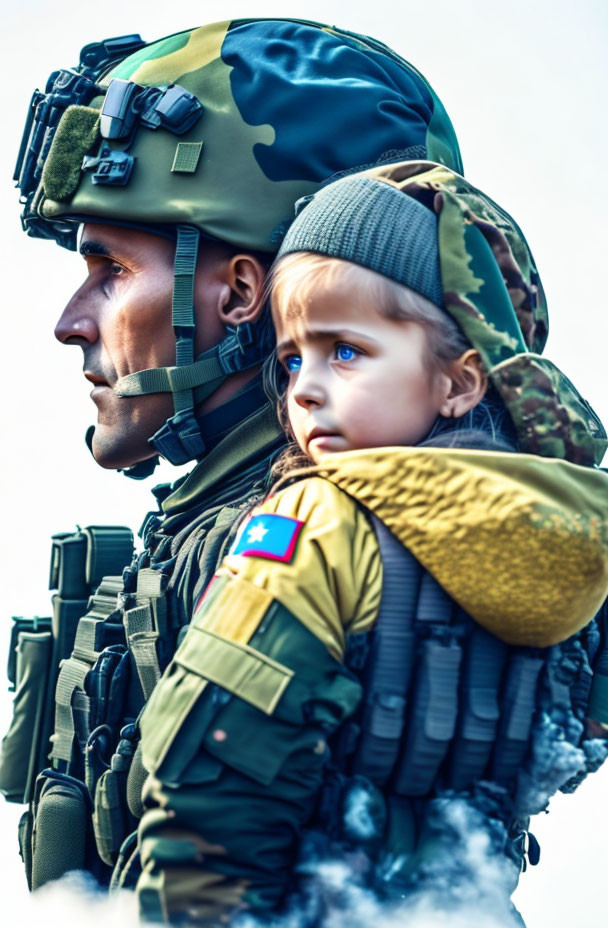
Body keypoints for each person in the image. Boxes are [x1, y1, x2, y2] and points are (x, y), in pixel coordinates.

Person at [0, 14, 466, 896]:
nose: (71, 322)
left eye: (110, 270)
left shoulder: (310, 542)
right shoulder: (226, 524)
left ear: (244, 292)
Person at [136, 161, 608, 924]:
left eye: (345, 351)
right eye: (291, 359)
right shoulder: (580, 537)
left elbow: (210, 778)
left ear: (458, 383)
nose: (304, 390)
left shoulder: (318, 525)